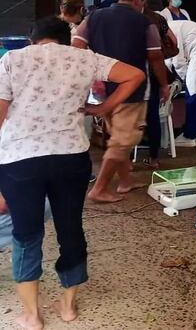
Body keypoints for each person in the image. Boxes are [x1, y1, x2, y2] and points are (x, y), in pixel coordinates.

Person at [0, 17, 144, 329]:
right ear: (66, 40)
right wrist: (104, 108)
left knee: (26, 235)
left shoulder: (12, 59)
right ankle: (67, 307)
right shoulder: (85, 58)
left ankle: (33, 316)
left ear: (32, 39)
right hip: (71, 158)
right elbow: (134, 75)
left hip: (20, 160)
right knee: (71, 229)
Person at [73, 0, 169, 203]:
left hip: (101, 89)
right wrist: (163, 85)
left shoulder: (93, 17)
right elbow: (155, 58)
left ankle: (125, 181)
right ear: (139, 1)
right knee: (123, 140)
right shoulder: (145, 22)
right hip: (130, 90)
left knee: (117, 135)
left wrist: (93, 76)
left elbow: (76, 47)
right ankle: (100, 189)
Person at [142, 0, 178, 168]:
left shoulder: (130, 19)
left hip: (131, 71)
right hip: (155, 72)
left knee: (128, 116)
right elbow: (174, 41)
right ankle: (154, 158)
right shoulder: (159, 19)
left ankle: (125, 161)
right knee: (153, 116)